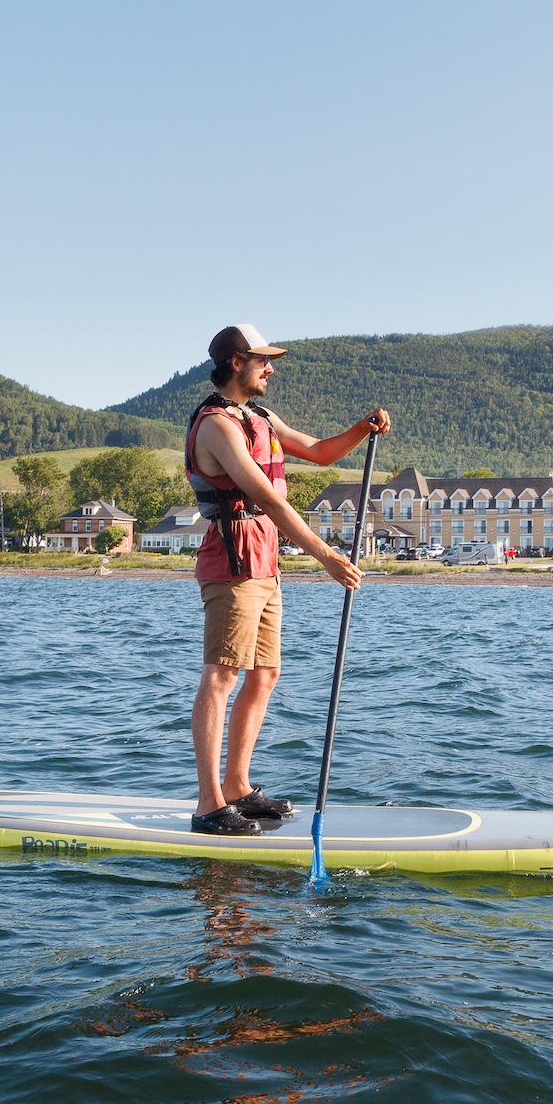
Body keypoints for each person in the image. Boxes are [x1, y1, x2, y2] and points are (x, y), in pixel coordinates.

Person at [184, 323, 392, 835]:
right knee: (222, 676)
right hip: (231, 562)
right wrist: (325, 555)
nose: (270, 368)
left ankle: (237, 786)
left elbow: (320, 451)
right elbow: (271, 499)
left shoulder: (260, 417)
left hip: (265, 562)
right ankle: (209, 805)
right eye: (262, 361)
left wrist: (362, 429)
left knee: (266, 673)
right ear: (237, 363)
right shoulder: (217, 425)